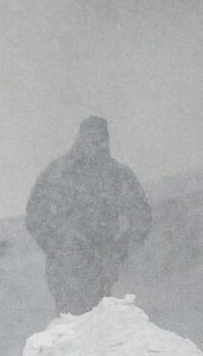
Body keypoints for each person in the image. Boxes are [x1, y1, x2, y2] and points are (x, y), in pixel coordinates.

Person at [26, 117, 154, 316]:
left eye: (100, 139)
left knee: (92, 320)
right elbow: (35, 215)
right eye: (91, 138)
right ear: (81, 137)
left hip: (97, 267)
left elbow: (142, 218)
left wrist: (118, 250)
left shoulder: (117, 175)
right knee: (76, 321)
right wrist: (57, 246)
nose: (95, 144)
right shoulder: (59, 172)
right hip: (70, 268)